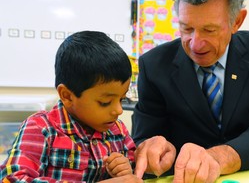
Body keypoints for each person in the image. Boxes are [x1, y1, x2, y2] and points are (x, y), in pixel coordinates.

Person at [132, 0, 249, 182]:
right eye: (186, 29)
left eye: (209, 30)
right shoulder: (154, 65)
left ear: (237, 22)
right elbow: (145, 137)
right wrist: (155, 150)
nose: (195, 44)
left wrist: (217, 157)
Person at [0, 31, 142, 183]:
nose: (119, 110)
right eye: (105, 102)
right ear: (67, 96)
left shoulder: (118, 131)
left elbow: (134, 168)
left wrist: (125, 169)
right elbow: (12, 179)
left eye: (122, 99)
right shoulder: (41, 129)